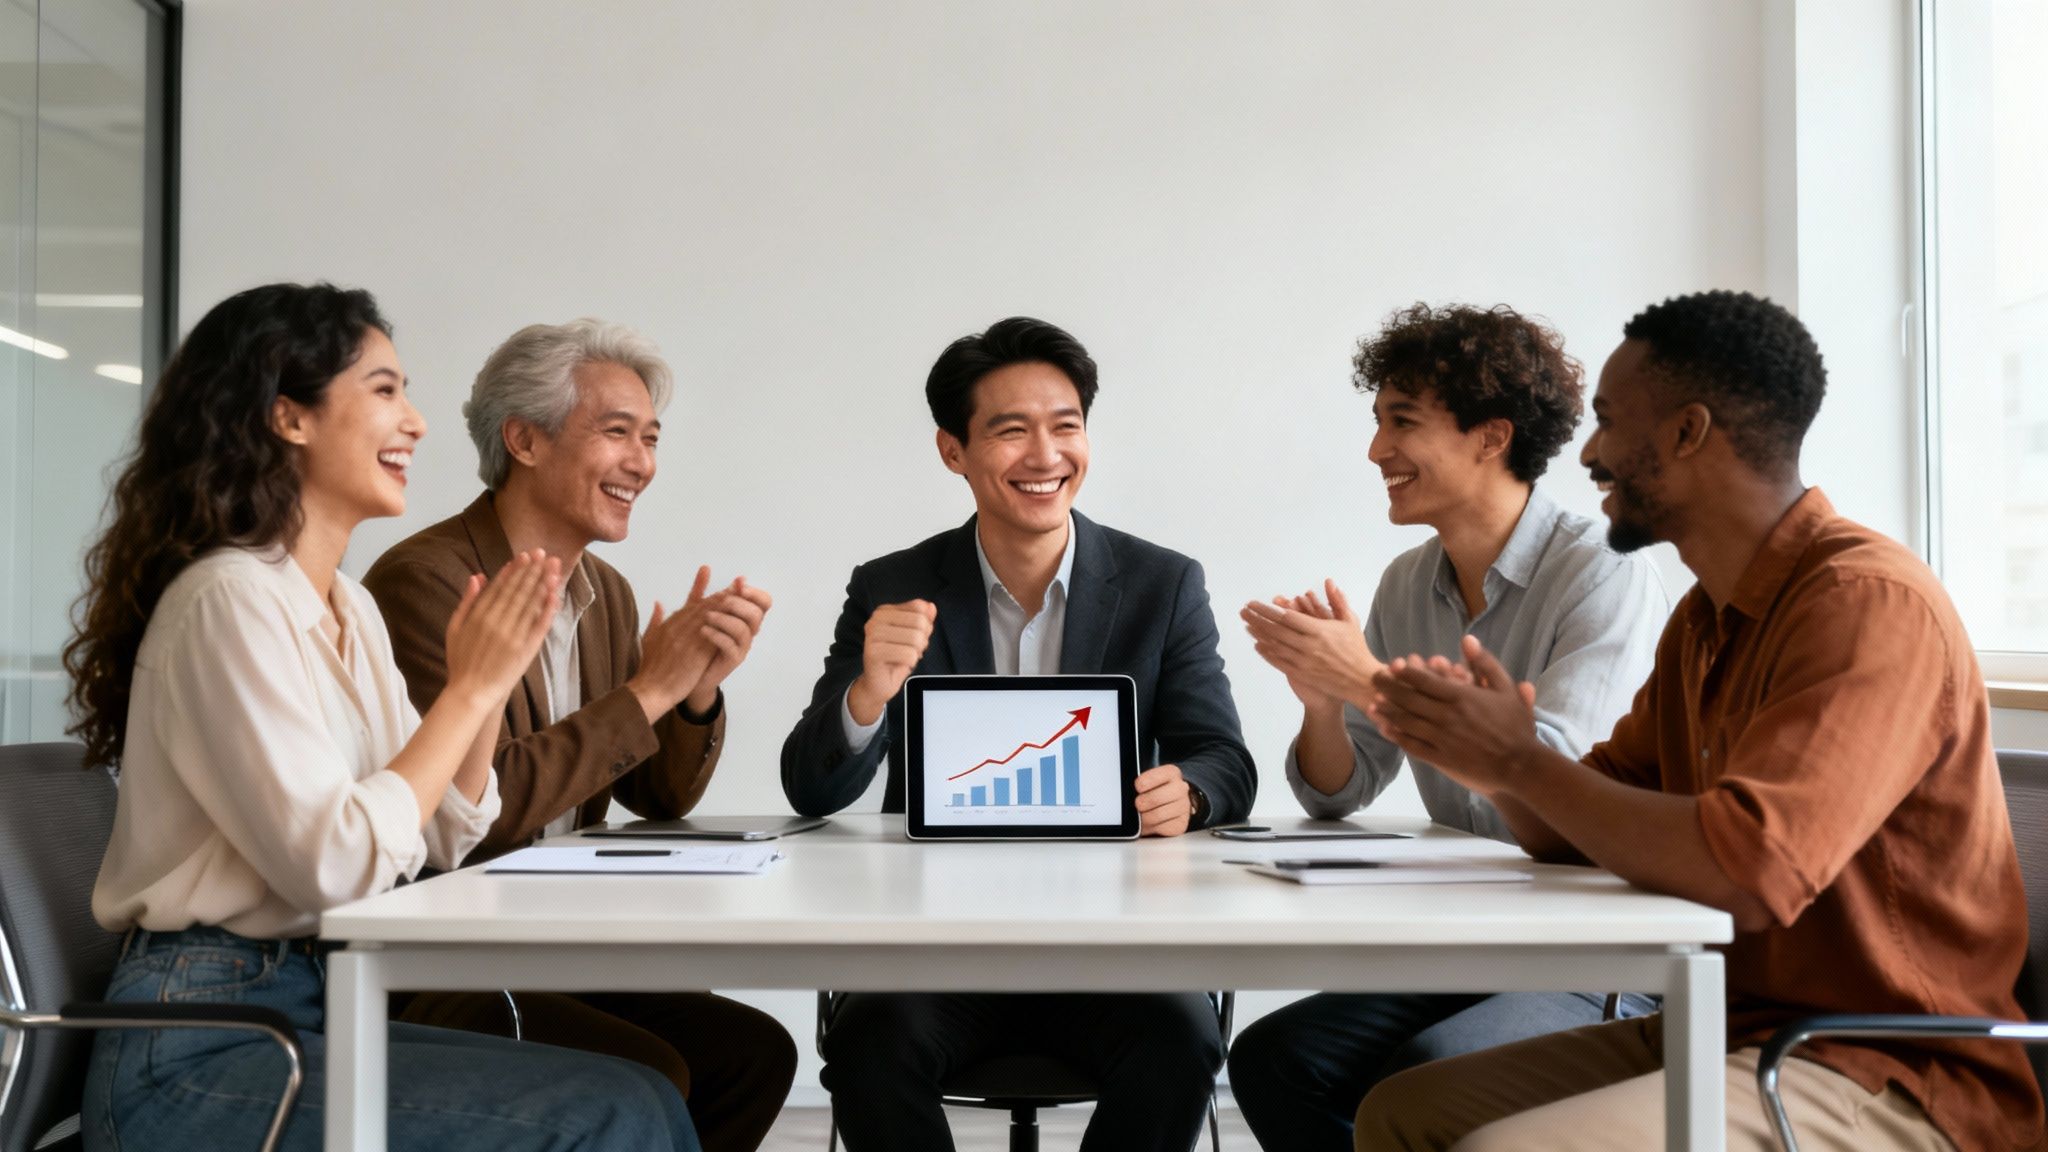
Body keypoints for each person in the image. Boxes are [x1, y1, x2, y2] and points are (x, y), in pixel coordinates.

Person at [1356, 290, 2044, 1151]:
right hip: (1729, 1028)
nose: (1592, 452)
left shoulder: (1866, 602)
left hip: (1885, 1066)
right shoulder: (1705, 621)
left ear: (1687, 433)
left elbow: (1755, 869)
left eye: (1608, 422)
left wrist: (1523, 764)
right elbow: (1574, 826)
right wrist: (1493, 757)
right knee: (1401, 1114)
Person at [68, 283, 698, 1151]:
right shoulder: (227, 601)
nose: (418, 423)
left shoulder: (348, 608)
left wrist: (485, 684)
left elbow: (444, 829)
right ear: (290, 418)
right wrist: (474, 692)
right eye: (384, 390)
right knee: (615, 1113)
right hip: (199, 1044)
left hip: (315, 1005)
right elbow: (335, 863)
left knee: (642, 1095)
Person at [780, 316, 1256, 1152]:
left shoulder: (1162, 583)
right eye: (1011, 430)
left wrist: (1192, 791)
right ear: (952, 451)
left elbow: (1225, 760)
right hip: (936, 949)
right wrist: (868, 693)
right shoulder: (892, 586)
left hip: (1110, 947)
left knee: (1183, 1045)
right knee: (869, 1047)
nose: (1045, 456)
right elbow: (812, 789)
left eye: (1065, 427)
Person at [1229, 303, 1667, 1152]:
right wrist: (1323, 702)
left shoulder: (1603, 572)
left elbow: (1568, 792)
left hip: (1598, 957)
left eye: (1403, 423)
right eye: (1377, 422)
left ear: (1490, 436)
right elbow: (1339, 790)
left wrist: (1361, 675)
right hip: (1475, 944)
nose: (1375, 451)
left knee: (1424, 1071)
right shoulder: (1407, 584)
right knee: (1277, 1058)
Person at [361, 319, 795, 1152]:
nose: (643, 463)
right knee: (649, 1073)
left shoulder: (608, 591)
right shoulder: (429, 583)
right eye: (617, 433)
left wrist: (695, 693)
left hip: (560, 939)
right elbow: (472, 811)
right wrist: (652, 688)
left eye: (652, 438)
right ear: (523, 439)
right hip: (451, 958)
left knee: (753, 1053)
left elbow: (654, 794)